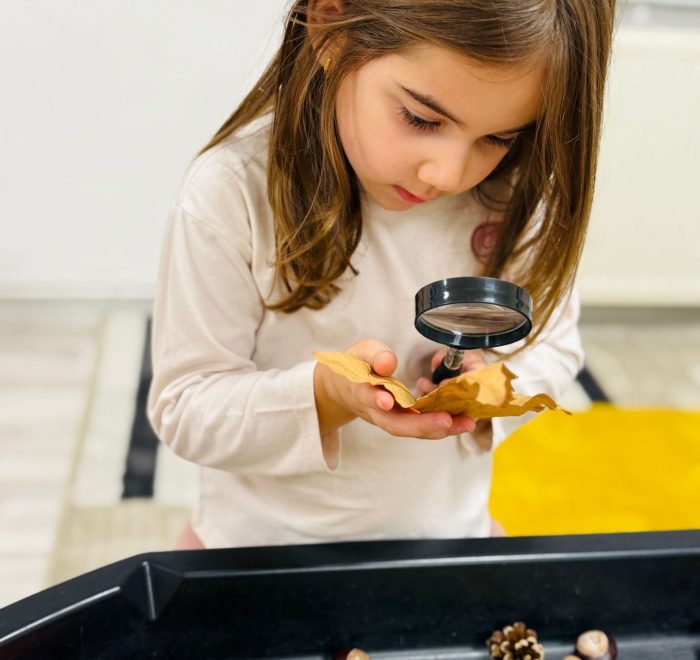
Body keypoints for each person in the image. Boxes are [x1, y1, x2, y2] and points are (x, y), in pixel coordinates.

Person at [147, 0, 616, 549]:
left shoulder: (513, 197)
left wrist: (488, 385)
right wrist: (328, 395)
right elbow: (186, 407)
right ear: (329, 26)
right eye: (422, 119)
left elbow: (556, 348)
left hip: (445, 543)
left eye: (499, 138)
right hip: (256, 552)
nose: (448, 174)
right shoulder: (232, 194)